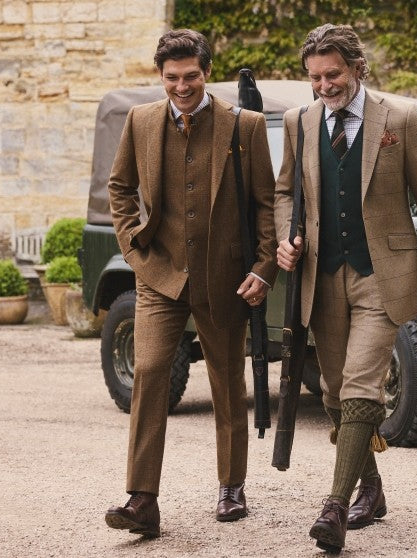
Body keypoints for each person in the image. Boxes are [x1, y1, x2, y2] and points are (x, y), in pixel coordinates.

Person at [274, 23, 417, 553]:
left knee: (360, 385)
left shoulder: (398, 119)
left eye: (333, 74)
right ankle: (371, 488)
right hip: (322, 276)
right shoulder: (299, 122)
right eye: (315, 77)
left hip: (384, 275)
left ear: (357, 68)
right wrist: (289, 237)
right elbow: (285, 191)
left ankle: (333, 506)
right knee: (334, 392)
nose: (324, 85)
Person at [104, 29, 277, 538]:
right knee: (151, 372)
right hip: (159, 273)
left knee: (226, 378)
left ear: (206, 71)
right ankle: (141, 499)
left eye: (191, 76)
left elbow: (266, 204)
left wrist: (263, 267)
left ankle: (231, 485)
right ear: (161, 76)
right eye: (172, 78)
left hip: (225, 275)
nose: (182, 87)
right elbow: (120, 187)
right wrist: (133, 245)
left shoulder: (243, 126)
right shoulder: (140, 121)